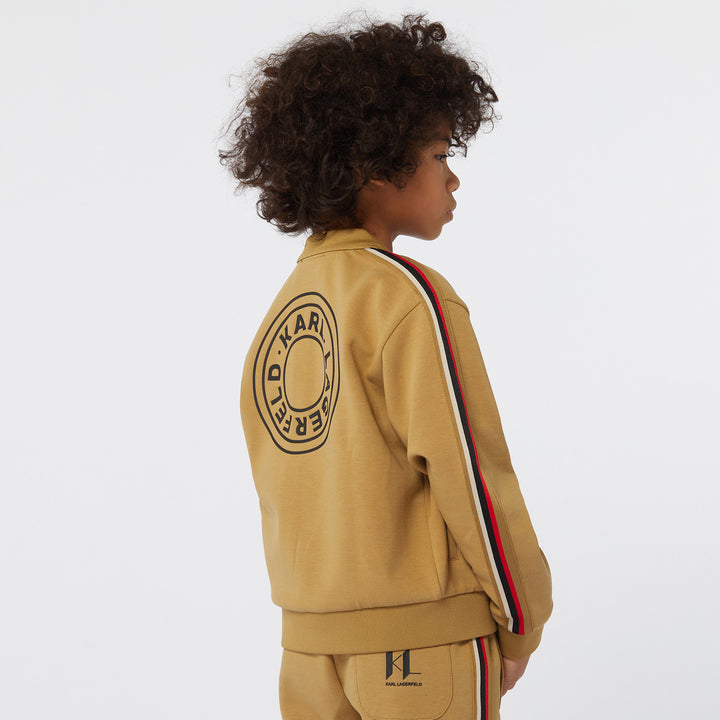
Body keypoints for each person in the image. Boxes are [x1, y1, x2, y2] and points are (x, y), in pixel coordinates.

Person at [220, 13, 552, 720]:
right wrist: (523, 616)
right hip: (420, 646)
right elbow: (471, 470)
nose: (453, 178)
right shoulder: (408, 297)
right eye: (439, 154)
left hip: (308, 652)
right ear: (376, 165)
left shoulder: (281, 313)